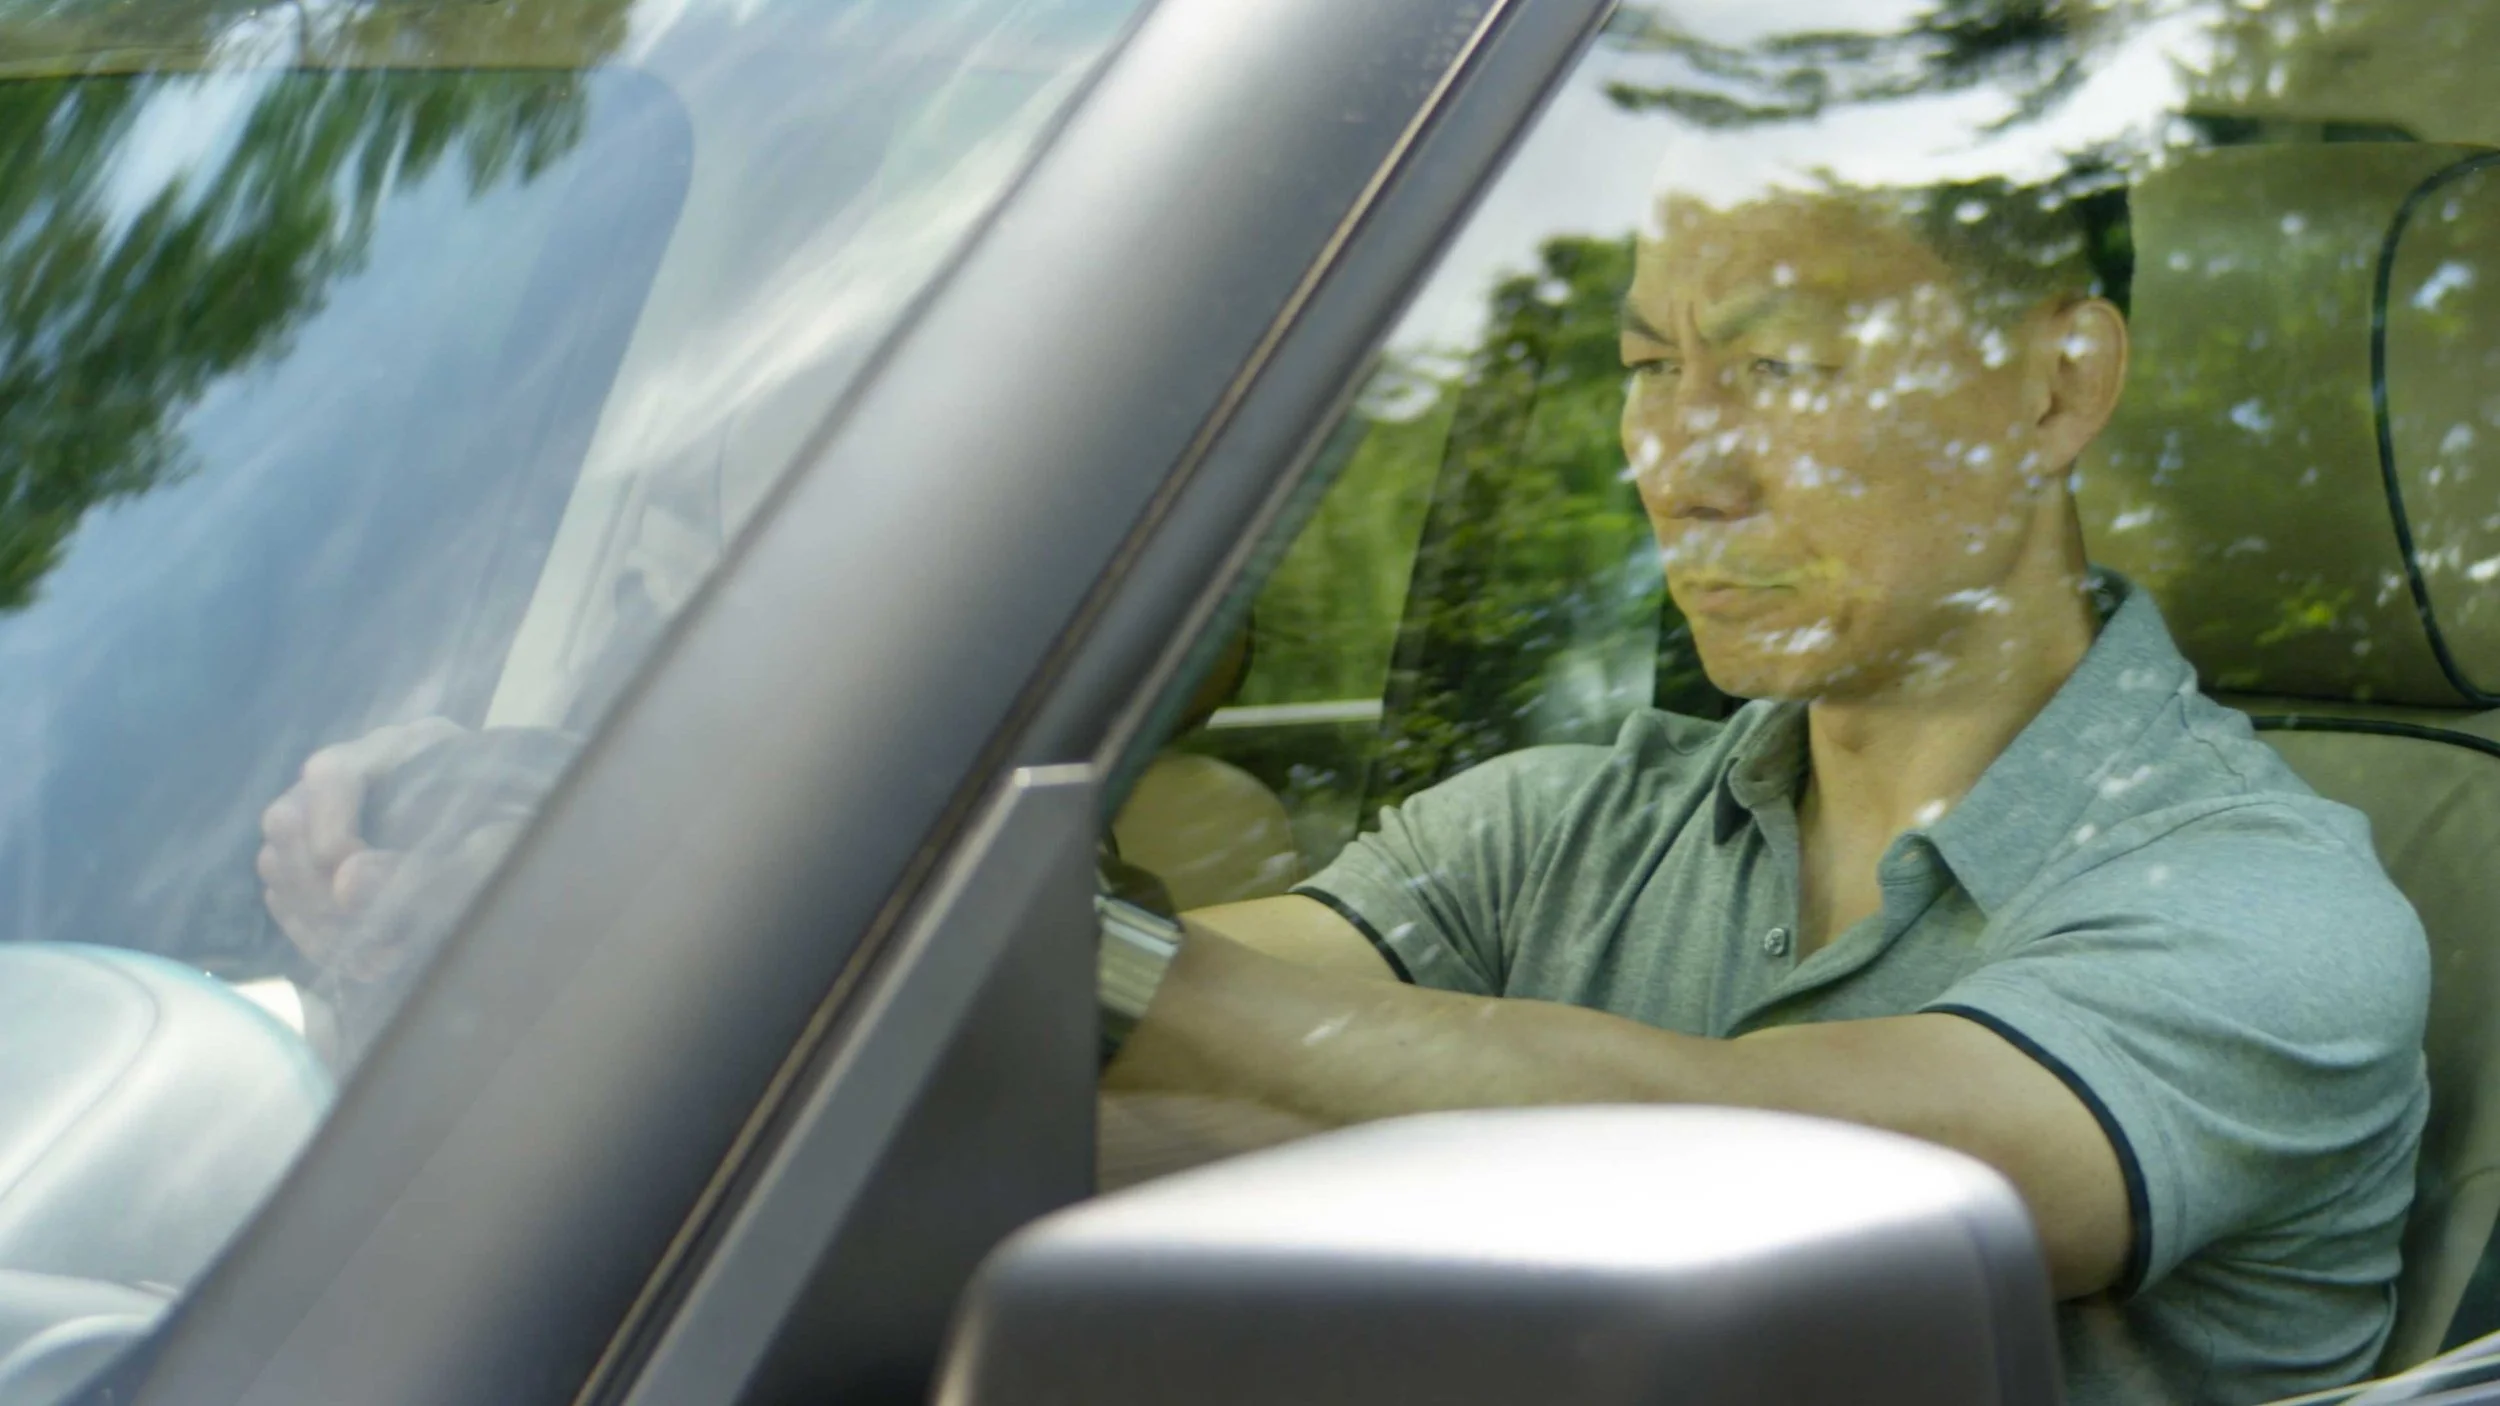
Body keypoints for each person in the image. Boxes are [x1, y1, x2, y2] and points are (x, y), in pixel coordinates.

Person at [1096, 179, 2430, 1406]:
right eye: (1650, 368)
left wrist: (1091, 963)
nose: (1677, 469)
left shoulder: (2273, 916)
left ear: (2054, 387)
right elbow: (1098, 1071)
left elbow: (1746, 1174)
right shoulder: (1559, 826)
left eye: (1776, 368)